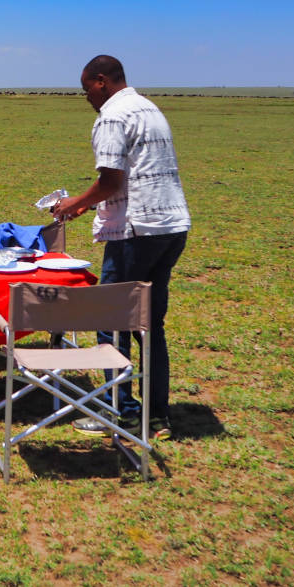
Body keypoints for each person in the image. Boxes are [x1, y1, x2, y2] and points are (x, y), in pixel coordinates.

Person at [51, 55, 190, 440]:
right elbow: (132, 177)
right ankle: (157, 416)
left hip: (136, 232)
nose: (87, 99)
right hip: (170, 227)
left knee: (111, 321)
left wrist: (73, 202)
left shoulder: (112, 116)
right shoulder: (149, 108)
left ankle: (121, 413)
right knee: (150, 325)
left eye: (86, 91)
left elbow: (111, 181)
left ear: (100, 82)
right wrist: (89, 203)